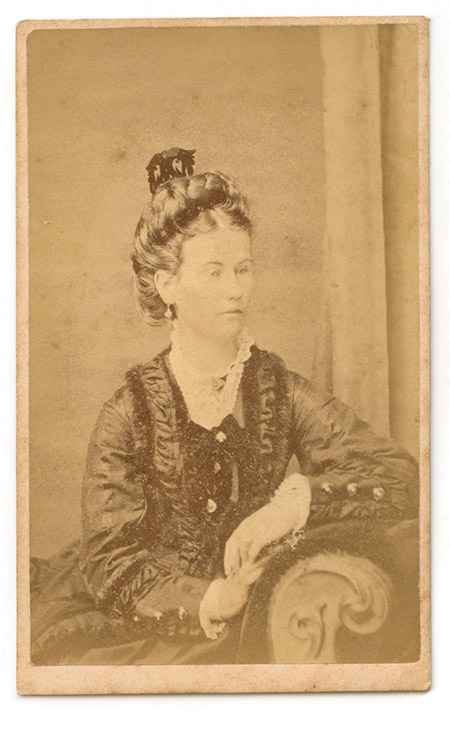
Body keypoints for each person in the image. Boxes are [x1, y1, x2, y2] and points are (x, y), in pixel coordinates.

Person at [30, 148, 419, 665]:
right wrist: (210, 598)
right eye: (214, 272)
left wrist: (289, 506)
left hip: (257, 611)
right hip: (148, 621)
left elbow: (396, 473)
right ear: (167, 284)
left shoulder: (277, 390)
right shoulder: (130, 412)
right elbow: (110, 562)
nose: (235, 290)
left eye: (243, 269)